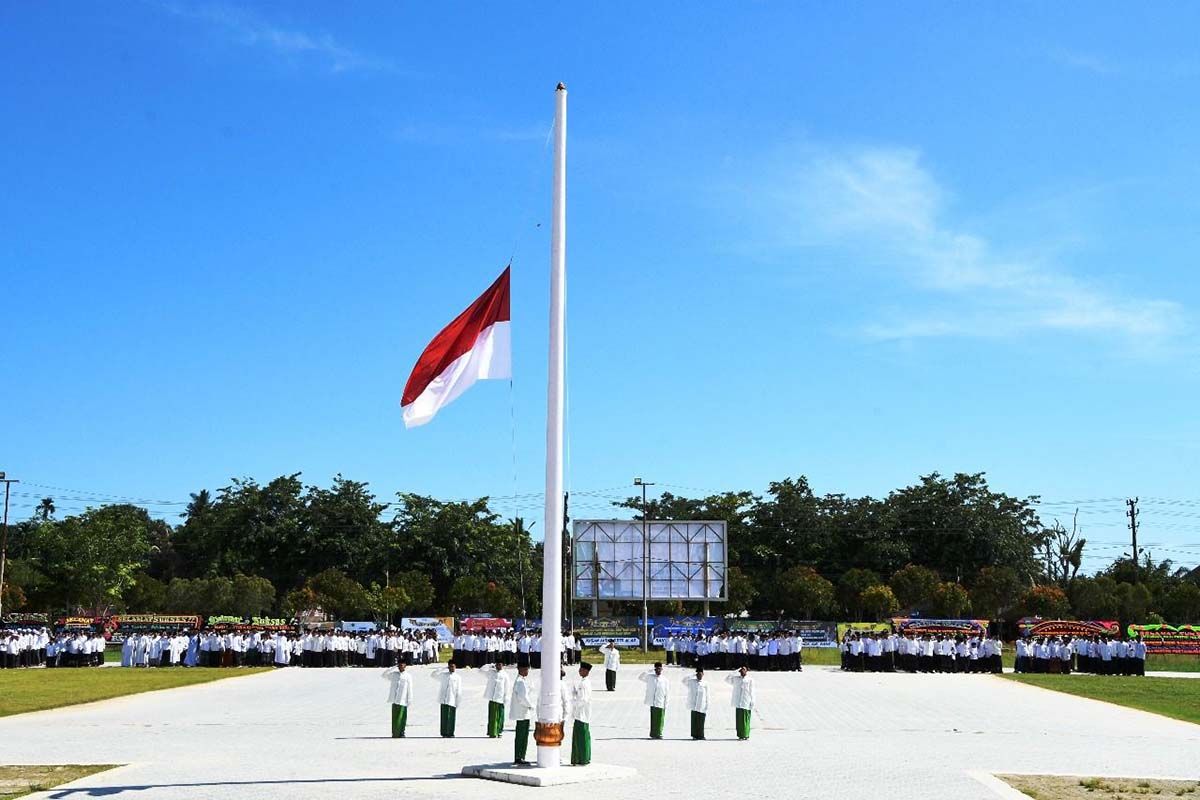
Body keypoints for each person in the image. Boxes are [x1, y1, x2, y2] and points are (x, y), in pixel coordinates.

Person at [510, 664, 535, 764]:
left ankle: (520, 756)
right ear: (520, 669)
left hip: (522, 712)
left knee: (522, 735)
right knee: (522, 736)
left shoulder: (521, 681)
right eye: (525, 669)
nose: (527, 671)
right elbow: (522, 698)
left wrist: (530, 689)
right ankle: (519, 757)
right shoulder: (520, 682)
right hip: (522, 712)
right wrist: (531, 705)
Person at [382, 660, 413, 738]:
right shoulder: (394, 674)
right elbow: (384, 675)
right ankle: (395, 733)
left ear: (405, 666)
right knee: (395, 718)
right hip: (395, 699)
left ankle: (402, 732)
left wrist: (410, 699)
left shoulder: (408, 676)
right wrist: (392, 668)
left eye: (402, 665)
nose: (400, 667)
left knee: (402, 718)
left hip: (403, 700)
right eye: (399, 665)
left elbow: (410, 688)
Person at [638, 662, 670, 739]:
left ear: (662, 669)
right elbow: (640, 677)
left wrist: (666, 703)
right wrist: (649, 671)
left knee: (660, 718)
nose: (658, 670)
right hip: (652, 701)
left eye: (660, 669)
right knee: (653, 719)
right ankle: (653, 733)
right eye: (657, 669)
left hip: (661, 701)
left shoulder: (665, 679)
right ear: (654, 669)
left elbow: (667, 692)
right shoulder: (650, 677)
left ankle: (659, 733)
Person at [570, 662, 593, 766]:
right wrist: (575, 693)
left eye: (581, 669)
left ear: (586, 671)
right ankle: (585, 757)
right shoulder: (585, 682)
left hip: (581, 713)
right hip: (583, 713)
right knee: (584, 736)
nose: (579, 671)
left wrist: (574, 702)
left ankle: (581, 758)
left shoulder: (584, 684)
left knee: (581, 737)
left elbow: (583, 700)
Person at [480, 660, 510, 738]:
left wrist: (506, 697)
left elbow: (507, 687)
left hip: (500, 698)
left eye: (500, 665)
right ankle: (492, 732)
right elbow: (481, 670)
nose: (498, 666)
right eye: (497, 665)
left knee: (500, 716)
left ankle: (499, 731)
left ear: (502, 665)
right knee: (492, 717)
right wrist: (490, 665)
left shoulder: (505, 675)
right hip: (492, 698)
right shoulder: (491, 672)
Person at [432, 661, 463, 738]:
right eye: (450, 666)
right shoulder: (443, 675)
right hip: (443, 699)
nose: (452, 668)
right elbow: (433, 675)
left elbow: (459, 690)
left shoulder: (458, 677)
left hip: (452, 699)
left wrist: (458, 701)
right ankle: (444, 732)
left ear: (455, 667)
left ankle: (450, 732)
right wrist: (442, 669)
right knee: (444, 717)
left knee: (451, 717)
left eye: (453, 666)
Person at [725, 665, 756, 740]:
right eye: (741, 670)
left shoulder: (750, 680)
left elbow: (752, 691)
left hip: (746, 700)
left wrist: (752, 701)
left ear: (746, 671)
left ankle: (746, 734)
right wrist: (735, 671)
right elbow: (726, 679)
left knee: (745, 718)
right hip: (738, 701)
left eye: (744, 670)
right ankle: (740, 735)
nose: (742, 671)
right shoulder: (736, 679)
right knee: (739, 720)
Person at [682, 667, 709, 740]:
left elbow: (707, 695)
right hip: (693, 704)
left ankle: (701, 735)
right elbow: (683, 680)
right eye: (698, 674)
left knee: (701, 721)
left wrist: (707, 704)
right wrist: (693, 674)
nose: (699, 676)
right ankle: (694, 735)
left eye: (701, 674)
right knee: (694, 720)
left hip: (702, 705)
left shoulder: (705, 683)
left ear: (703, 674)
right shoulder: (691, 681)